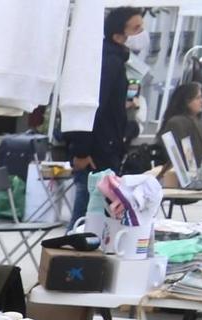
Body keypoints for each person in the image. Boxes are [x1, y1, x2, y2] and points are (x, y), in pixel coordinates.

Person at [68, 6, 144, 221]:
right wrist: (81, 151)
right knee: (86, 216)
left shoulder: (113, 59)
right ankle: (72, 252)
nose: (140, 34)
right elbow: (93, 105)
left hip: (105, 146)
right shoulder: (109, 60)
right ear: (120, 32)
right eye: (136, 28)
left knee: (93, 215)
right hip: (97, 150)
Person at [158, 81, 202, 178]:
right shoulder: (177, 123)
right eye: (197, 98)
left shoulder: (194, 121)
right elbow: (183, 157)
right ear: (187, 101)